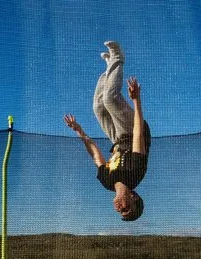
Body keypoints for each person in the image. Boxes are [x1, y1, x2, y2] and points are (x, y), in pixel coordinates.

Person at [64, 41, 151, 221]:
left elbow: (96, 156)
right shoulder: (135, 173)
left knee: (98, 107)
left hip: (117, 140)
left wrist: (79, 131)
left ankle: (109, 65)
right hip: (133, 131)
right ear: (134, 197)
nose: (120, 208)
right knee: (111, 99)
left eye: (120, 212)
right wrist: (136, 101)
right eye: (126, 209)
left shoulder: (107, 181)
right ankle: (118, 56)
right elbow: (138, 135)